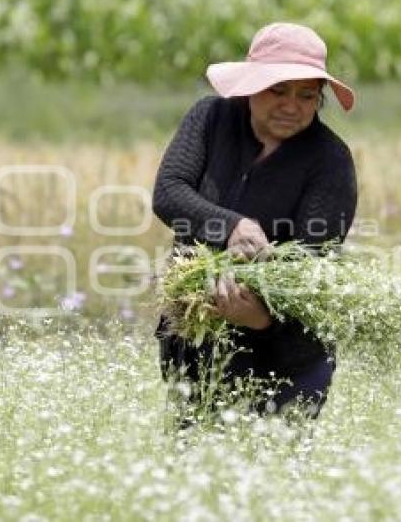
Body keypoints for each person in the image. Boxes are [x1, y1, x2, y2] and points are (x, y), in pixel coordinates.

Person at [152, 22, 358, 423]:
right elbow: (169, 192)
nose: (291, 106)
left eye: (306, 96)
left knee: (274, 471)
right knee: (189, 467)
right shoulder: (210, 119)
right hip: (196, 341)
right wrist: (231, 227)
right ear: (250, 86)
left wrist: (260, 318)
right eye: (277, 90)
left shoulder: (330, 161)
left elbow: (311, 264)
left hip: (287, 356)